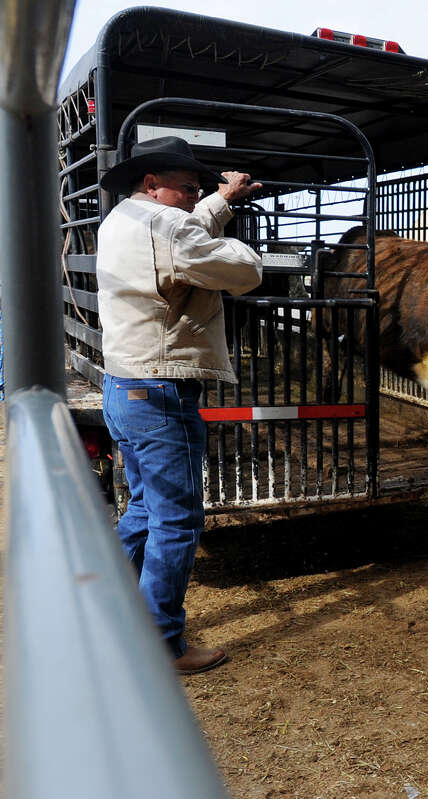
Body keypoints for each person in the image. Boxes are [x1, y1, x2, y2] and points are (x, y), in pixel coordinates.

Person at [97, 136, 263, 675]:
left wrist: (221, 200)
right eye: (187, 188)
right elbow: (241, 271)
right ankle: (162, 643)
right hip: (163, 389)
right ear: (151, 184)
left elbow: (185, 233)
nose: (195, 198)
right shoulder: (165, 227)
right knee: (177, 519)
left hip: (125, 385)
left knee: (145, 507)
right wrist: (245, 243)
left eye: (199, 191)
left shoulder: (123, 219)